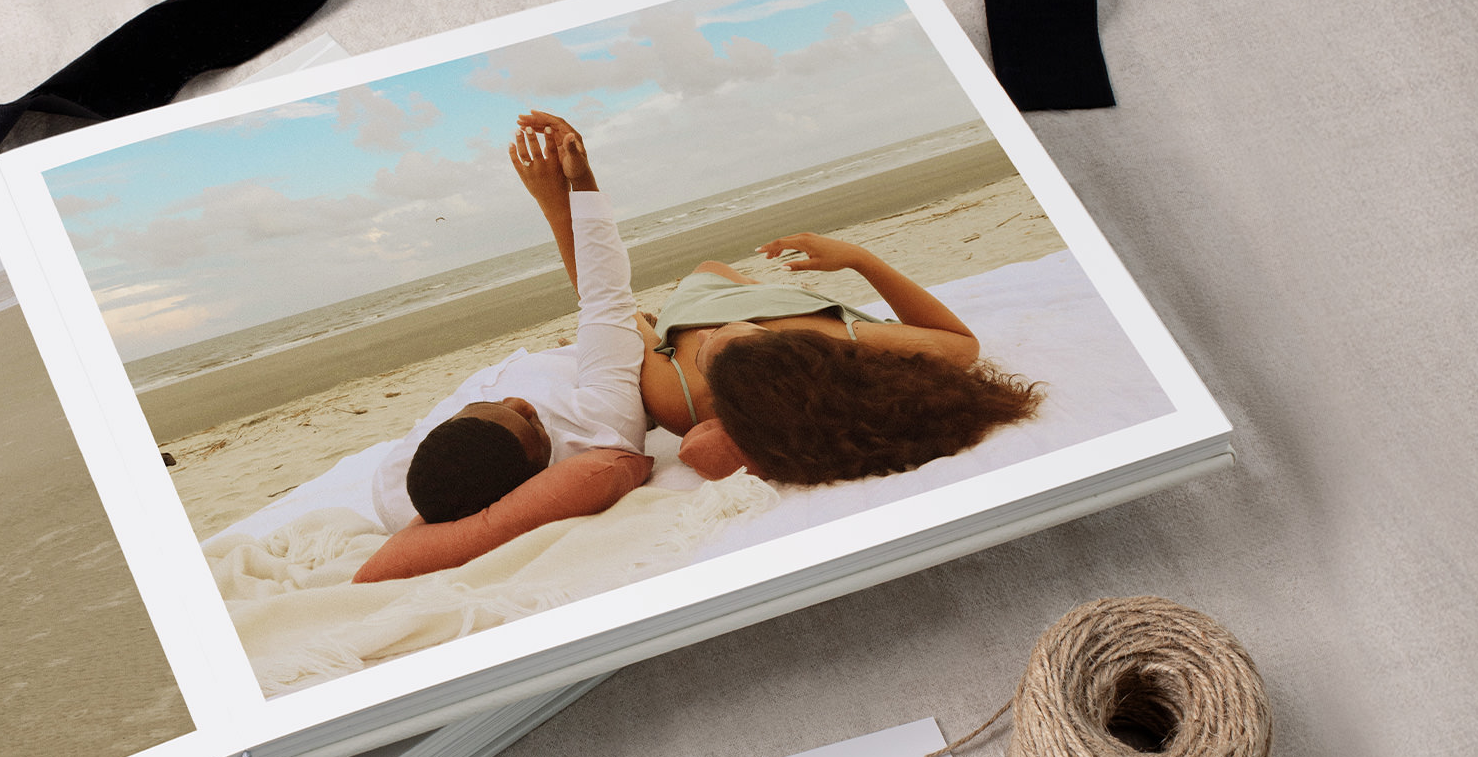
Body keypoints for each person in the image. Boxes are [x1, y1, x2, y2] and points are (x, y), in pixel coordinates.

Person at [354, 111, 650, 583]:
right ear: (535, 473)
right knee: (628, 323)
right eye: (530, 420)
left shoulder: (396, 488)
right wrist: (583, 183)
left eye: (487, 406)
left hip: (558, 358)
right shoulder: (598, 425)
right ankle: (557, 207)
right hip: (592, 358)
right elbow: (604, 294)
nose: (517, 401)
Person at [642, 233, 1041, 485]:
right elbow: (961, 343)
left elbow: (612, 308)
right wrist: (856, 258)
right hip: (791, 308)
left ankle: (745, 292)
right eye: (732, 331)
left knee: (710, 268)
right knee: (718, 269)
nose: (704, 331)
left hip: (700, 297)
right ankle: (765, 296)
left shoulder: (677, 400)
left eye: (708, 343)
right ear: (797, 349)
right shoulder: (843, 339)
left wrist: (647, 327)